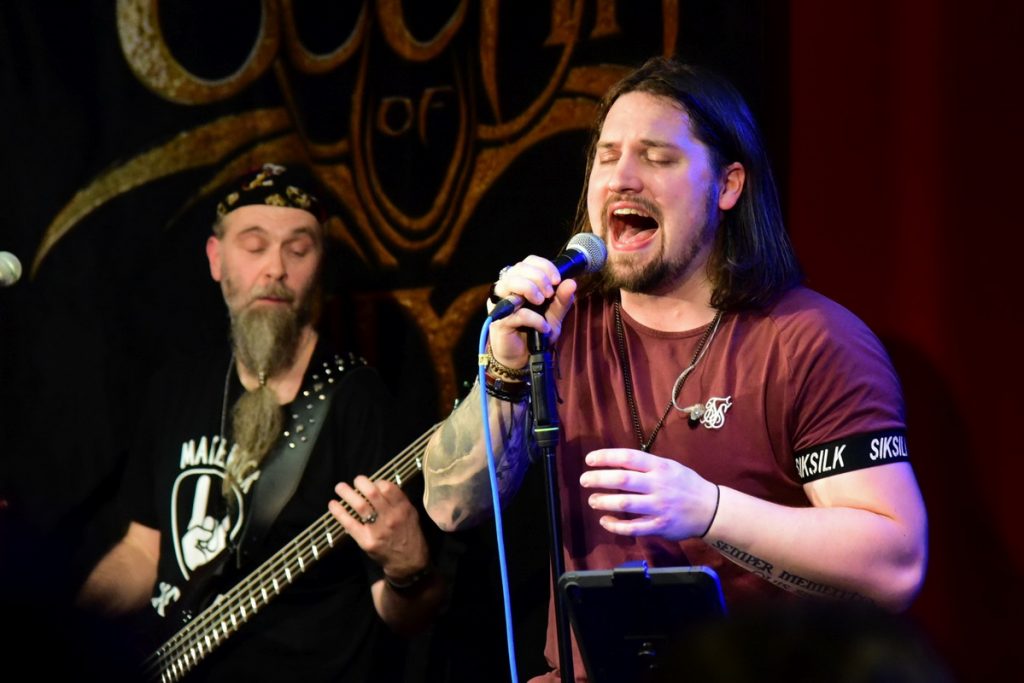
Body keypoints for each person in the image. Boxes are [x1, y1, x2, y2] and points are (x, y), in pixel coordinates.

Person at [421, 57, 928, 682]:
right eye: (607, 157)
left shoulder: (809, 342)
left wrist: (710, 510)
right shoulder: (559, 328)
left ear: (728, 186)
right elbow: (451, 508)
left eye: (657, 158)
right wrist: (505, 368)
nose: (622, 179)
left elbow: (894, 568)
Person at [76, 163, 443, 682]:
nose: (275, 268)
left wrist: (409, 570)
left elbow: (404, 616)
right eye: (254, 246)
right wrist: (72, 621)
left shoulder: (357, 400)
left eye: (299, 249)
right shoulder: (176, 387)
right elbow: (142, 550)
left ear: (320, 265)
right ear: (216, 258)